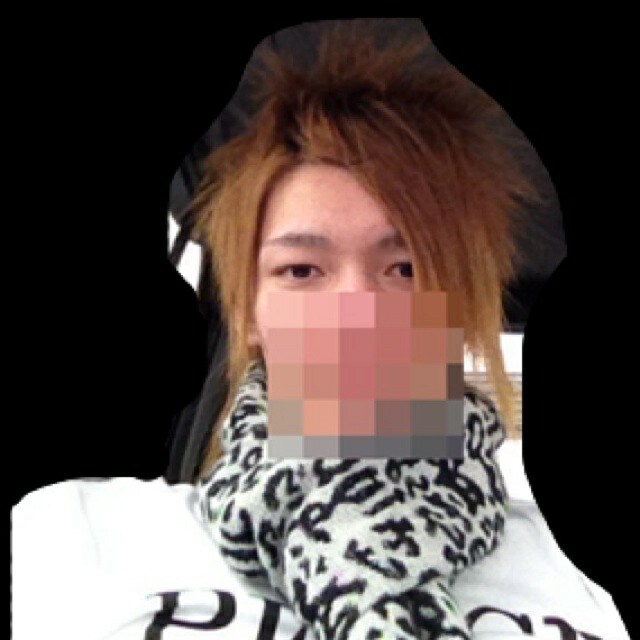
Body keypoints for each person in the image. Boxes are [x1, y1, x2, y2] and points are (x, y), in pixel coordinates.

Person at [186, 18, 541, 640]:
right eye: (301, 270)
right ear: (248, 318)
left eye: (406, 268)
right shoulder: (73, 533)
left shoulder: (575, 573)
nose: (357, 305)